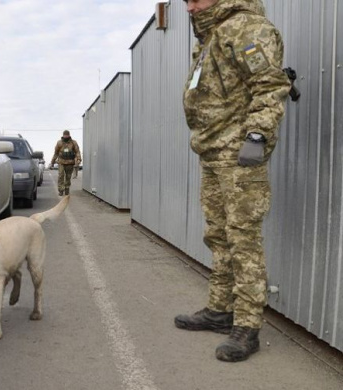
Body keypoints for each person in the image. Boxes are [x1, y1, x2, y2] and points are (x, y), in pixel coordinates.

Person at [175, 0, 291, 362]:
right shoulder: (211, 36)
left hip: (239, 154)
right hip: (212, 152)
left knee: (242, 238)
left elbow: (270, 85)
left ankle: (247, 324)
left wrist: (257, 137)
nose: (190, 8)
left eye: (196, 0)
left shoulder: (246, 28)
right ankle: (220, 309)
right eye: (185, 2)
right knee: (219, 234)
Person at [49, 130, 80, 196]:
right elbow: (56, 153)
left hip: (70, 162)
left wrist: (79, 159)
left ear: (69, 135)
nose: (66, 136)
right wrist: (52, 162)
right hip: (61, 162)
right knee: (61, 176)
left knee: (68, 177)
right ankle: (60, 190)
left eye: (67, 135)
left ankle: (67, 189)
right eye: (65, 135)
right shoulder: (59, 143)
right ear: (63, 135)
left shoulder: (73, 142)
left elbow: (77, 151)